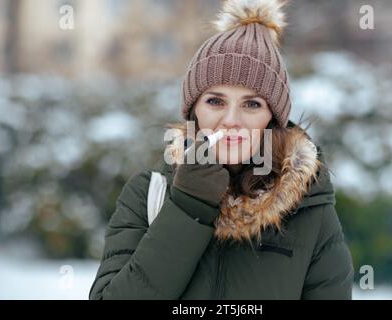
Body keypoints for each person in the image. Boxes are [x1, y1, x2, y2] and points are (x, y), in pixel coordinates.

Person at [89, 0, 354, 300]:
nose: (231, 121)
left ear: (273, 120)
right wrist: (187, 207)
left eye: (252, 104)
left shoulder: (310, 211)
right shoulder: (147, 195)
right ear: (193, 112)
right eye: (215, 101)